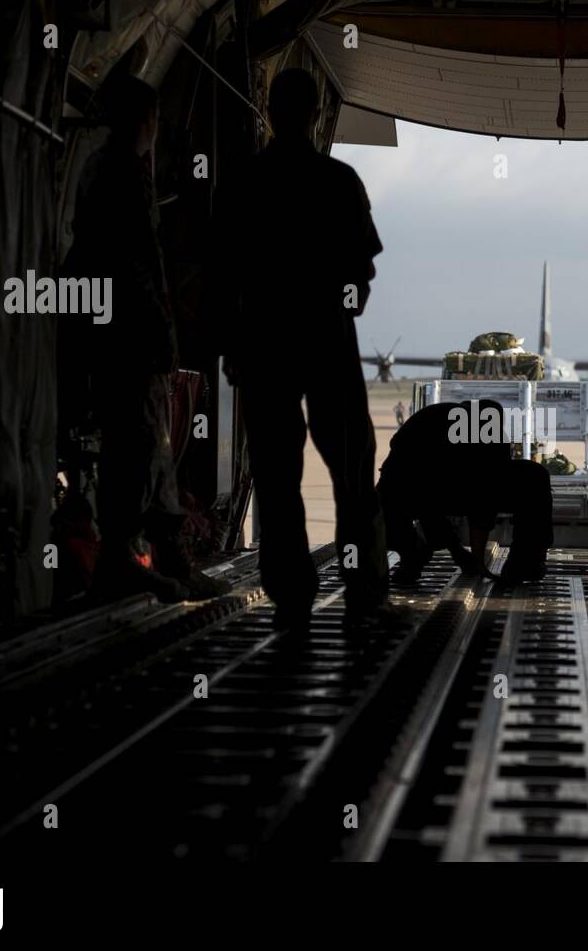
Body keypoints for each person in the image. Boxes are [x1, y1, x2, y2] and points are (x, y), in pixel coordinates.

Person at [211, 68, 387, 632]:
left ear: (268, 108)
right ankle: (362, 589)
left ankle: (289, 593)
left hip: (265, 344)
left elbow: (222, 279)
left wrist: (236, 343)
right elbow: (360, 278)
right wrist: (339, 301)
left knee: (277, 471)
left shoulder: (242, 183)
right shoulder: (339, 181)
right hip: (327, 341)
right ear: (314, 113)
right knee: (352, 472)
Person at [69, 75, 228, 603]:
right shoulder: (125, 175)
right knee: (145, 448)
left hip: (104, 335)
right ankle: (152, 560)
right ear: (147, 122)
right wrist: (162, 336)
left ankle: (139, 560)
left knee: (132, 449)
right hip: (130, 340)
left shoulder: (95, 170)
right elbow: (139, 267)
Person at [378, 400, 552, 587]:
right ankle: (411, 552)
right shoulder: (430, 437)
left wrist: (472, 558)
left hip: (444, 486)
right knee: (381, 517)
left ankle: (526, 560)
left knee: (534, 476)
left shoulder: (489, 437)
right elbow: (426, 503)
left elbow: (486, 496)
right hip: (405, 485)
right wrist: (459, 553)